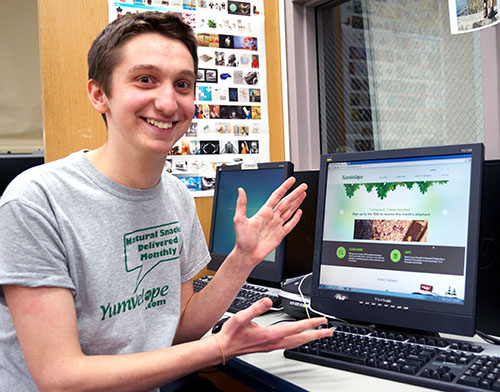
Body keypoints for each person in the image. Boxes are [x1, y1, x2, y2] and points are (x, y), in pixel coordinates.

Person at [0, 11, 332, 392]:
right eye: (146, 80)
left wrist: (244, 259)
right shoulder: (35, 201)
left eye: (183, 84)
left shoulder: (175, 195)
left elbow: (179, 328)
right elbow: (61, 378)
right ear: (99, 94)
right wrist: (219, 349)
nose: (168, 102)